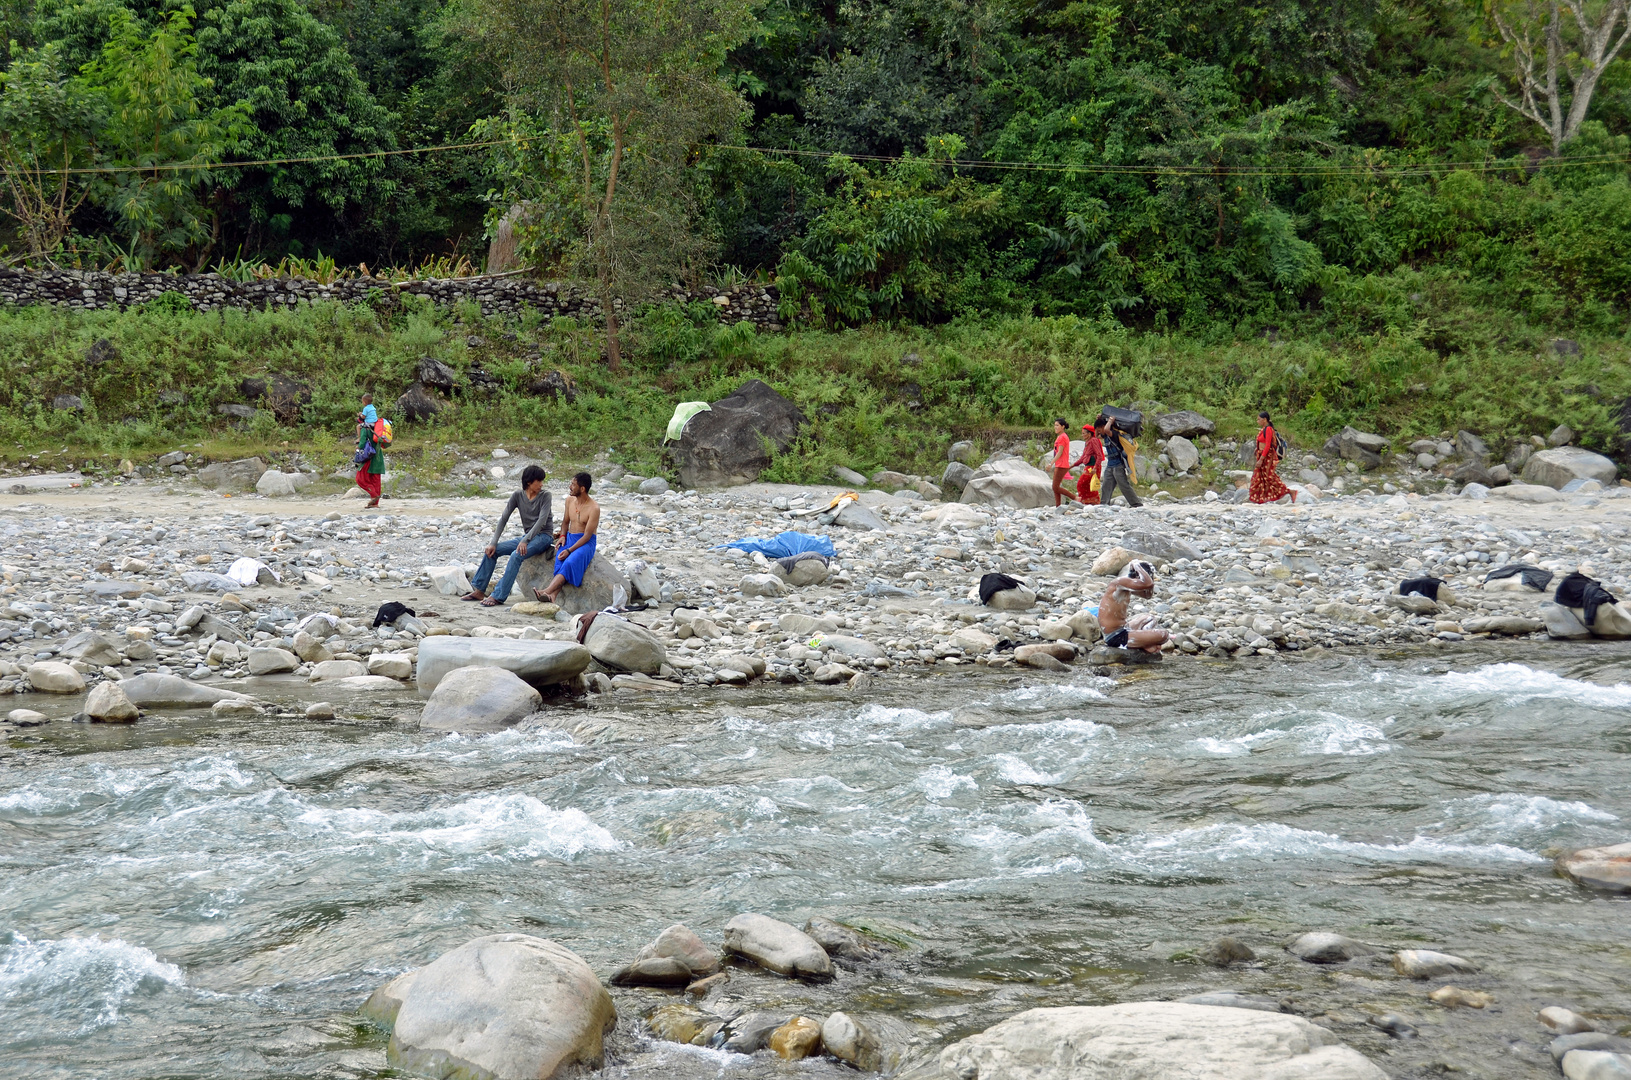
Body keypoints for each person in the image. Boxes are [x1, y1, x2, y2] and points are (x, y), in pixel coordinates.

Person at [460, 465, 553, 607]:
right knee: (493, 551)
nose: (541, 484)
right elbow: (504, 519)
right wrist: (493, 542)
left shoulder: (545, 496)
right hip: (527, 536)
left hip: (543, 537)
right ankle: (479, 590)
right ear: (529, 482)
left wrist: (525, 540)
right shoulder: (517, 495)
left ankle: (498, 596)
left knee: (516, 555)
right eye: (538, 481)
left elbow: (541, 521)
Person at [534, 472, 600, 604]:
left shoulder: (594, 508)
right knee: (560, 562)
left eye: (573, 485)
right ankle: (553, 596)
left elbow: (587, 535)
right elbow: (565, 522)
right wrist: (563, 536)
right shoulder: (569, 500)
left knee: (570, 562)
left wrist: (569, 550)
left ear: (582, 488)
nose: (570, 487)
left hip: (585, 543)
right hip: (570, 537)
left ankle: (546, 591)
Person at [1097, 560, 1170, 653]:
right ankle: (1144, 643)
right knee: (1164, 635)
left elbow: (1147, 595)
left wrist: (1149, 578)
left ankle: (1144, 641)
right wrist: (1137, 566)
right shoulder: (1120, 582)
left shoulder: (1127, 585)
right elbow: (1147, 584)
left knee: (1150, 618)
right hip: (1115, 636)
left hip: (1123, 629)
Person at [1249, 410, 1296, 504]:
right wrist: (1257, 449)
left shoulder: (1269, 429)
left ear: (1265, 419)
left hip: (1267, 456)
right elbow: (1261, 441)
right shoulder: (1263, 429)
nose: (1257, 421)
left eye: (1259, 419)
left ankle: (1289, 491)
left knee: (1269, 476)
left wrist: (1261, 459)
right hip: (1261, 454)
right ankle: (1260, 498)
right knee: (1260, 477)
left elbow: (1267, 445)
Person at [1098, 415, 1142, 507]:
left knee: (1123, 485)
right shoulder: (1104, 435)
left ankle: (1136, 504)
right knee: (1106, 484)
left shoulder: (1114, 434)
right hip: (1110, 464)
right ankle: (1104, 503)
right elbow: (1097, 434)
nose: (1099, 431)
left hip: (1118, 464)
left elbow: (1106, 429)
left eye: (1099, 428)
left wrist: (1109, 421)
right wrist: (1099, 420)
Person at [354, 394, 384, 508]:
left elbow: (362, 443)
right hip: (378, 457)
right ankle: (375, 504)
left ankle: (373, 495)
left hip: (368, 457)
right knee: (375, 479)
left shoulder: (365, 429)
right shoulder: (377, 428)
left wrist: (358, 446)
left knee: (360, 479)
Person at [1050, 418, 1082, 507]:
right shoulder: (1060, 436)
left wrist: (1051, 463)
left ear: (1063, 426)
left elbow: (1060, 452)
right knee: (1056, 487)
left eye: (1057, 425)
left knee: (1055, 487)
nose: (1055, 427)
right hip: (1060, 464)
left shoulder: (1063, 437)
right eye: (1055, 425)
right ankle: (1058, 506)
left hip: (1062, 464)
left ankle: (1075, 498)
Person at [1073, 422, 1104, 505]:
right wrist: (1073, 465)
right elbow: (1083, 457)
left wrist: (1095, 468)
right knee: (1086, 484)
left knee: (1082, 483)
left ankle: (1091, 501)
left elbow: (1099, 455)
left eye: (1083, 433)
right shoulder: (1087, 442)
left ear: (1089, 434)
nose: (1082, 435)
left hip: (1093, 467)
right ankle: (1089, 501)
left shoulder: (1093, 440)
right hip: (1089, 466)